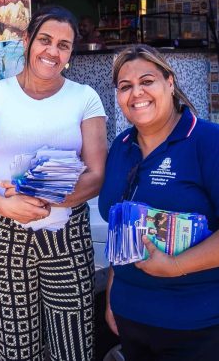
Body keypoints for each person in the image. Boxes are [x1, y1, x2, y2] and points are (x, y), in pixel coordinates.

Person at [0, 5, 108, 361]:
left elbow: (97, 175)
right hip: (5, 234)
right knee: (16, 349)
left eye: (63, 45)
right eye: (45, 40)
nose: (52, 51)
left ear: (70, 53)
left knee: (73, 345)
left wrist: (49, 197)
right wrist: (2, 204)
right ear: (27, 41)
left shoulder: (84, 98)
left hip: (67, 237)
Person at [99, 44, 219, 360]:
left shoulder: (207, 141)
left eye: (147, 81)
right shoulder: (120, 147)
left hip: (196, 326)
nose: (136, 92)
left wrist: (174, 267)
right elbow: (120, 225)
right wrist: (112, 294)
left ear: (169, 82)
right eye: (125, 87)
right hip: (131, 317)